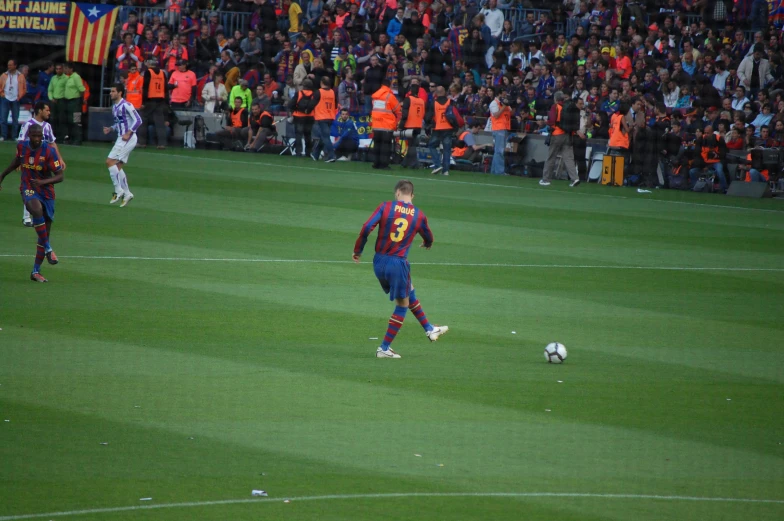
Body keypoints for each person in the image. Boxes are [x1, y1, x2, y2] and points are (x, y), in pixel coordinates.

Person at [352, 179, 448, 358]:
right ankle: (384, 348)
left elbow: (366, 228)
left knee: (408, 291)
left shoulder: (386, 207)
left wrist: (358, 250)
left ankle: (429, 329)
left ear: (397, 193)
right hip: (397, 263)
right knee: (402, 305)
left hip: (378, 262)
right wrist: (427, 243)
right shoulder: (418, 215)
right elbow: (428, 236)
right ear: (412, 195)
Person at [0, 125, 64, 282]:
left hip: (46, 191)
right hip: (28, 187)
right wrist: (2, 175)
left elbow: (60, 176)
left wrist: (43, 182)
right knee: (36, 210)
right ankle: (49, 249)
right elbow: (17, 161)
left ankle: (35, 271)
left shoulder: (49, 151)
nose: (37, 138)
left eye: (39, 136)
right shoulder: (22, 146)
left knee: (45, 232)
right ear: (29, 135)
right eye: (34, 135)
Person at [17, 101, 66, 227]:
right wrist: (19, 160)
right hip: (30, 160)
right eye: (47, 110)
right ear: (39, 111)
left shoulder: (47, 126)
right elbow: (21, 142)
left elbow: (52, 143)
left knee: (39, 185)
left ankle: (36, 215)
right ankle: (26, 217)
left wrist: (59, 158)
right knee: (29, 185)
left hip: (44, 161)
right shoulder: (28, 125)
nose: (49, 112)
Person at [103, 84, 142, 207]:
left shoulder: (126, 105)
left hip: (127, 138)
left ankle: (118, 190)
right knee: (117, 166)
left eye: (113, 91)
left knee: (109, 162)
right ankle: (127, 193)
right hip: (121, 138)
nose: (111, 93)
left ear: (120, 93)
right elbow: (119, 122)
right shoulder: (115, 107)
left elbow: (138, 120)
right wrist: (111, 128)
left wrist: (129, 132)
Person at [540, 92, 582, 187]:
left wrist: (544, 122)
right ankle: (575, 178)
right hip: (568, 135)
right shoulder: (569, 107)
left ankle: (546, 179)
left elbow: (552, 121)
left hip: (557, 135)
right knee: (569, 158)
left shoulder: (555, 106)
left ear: (555, 99)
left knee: (551, 157)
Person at [370, 79, 402, 170]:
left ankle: (376, 163)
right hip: (386, 125)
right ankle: (384, 165)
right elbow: (397, 109)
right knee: (385, 146)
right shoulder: (389, 96)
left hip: (376, 124)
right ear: (389, 85)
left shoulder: (375, 96)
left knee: (377, 145)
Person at [139, 58, 169, 149]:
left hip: (150, 100)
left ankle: (141, 142)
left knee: (142, 120)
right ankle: (162, 144)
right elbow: (166, 88)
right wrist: (166, 102)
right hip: (160, 100)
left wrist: (143, 102)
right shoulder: (162, 73)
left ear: (149, 63)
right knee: (160, 123)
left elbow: (145, 88)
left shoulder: (148, 72)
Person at [427, 86, 456, 176]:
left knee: (432, 146)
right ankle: (446, 170)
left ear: (436, 93)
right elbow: (455, 115)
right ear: (445, 92)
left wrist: (428, 125)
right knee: (447, 150)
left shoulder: (433, 103)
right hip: (448, 128)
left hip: (438, 128)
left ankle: (437, 164)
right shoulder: (450, 102)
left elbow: (428, 117)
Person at [288, 78, 319, 156]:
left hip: (299, 116)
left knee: (298, 134)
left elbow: (291, 104)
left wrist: (296, 110)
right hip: (310, 116)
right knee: (308, 134)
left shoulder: (299, 93)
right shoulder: (314, 94)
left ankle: (298, 151)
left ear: (303, 86)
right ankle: (308, 152)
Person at [398, 82, 426, 168]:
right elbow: (423, 113)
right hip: (418, 125)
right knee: (412, 144)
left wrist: (401, 126)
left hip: (410, 125)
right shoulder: (421, 101)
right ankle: (405, 163)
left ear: (410, 90)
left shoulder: (408, 99)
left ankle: (413, 163)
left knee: (411, 145)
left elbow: (405, 114)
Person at [311, 77, 337, 162]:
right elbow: (335, 104)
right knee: (324, 136)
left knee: (325, 137)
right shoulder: (332, 92)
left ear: (321, 82)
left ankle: (331, 155)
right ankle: (315, 154)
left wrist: (307, 110)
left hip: (322, 116)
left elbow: (312, 103)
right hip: (330, 116)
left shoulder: (319, 92)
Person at [0, 59, 26, 142]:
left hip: (15, 99)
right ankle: (4, 135)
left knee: (15, 119)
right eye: (8, 65)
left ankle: (14, 136)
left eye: (11, 65)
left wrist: (20, 96)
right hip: (5, 98)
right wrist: (2, 94)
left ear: (15, 66)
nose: (9, 66)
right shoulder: (4, 75)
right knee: (3, 118)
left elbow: (24, 88)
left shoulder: (20, 76)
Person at [488, 87, 511, 175]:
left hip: (504, 127)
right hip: (498, 128)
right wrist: (504, 106)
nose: (505, 95)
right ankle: (500, 171)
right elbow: (496, 115)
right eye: (504, 93)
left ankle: (494, 171)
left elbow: (511, 112)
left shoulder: (503, 103)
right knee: (499, 151)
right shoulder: (494, 103)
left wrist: (507, 104)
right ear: (499, 93)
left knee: (498, 151)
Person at [62, 63, 85, 145]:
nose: (65, 70)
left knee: (76, 120)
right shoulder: (68, 77)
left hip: (75, 102)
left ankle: (78, 140)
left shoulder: (76, 77)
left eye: (66, 68)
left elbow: (82, 89)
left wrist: (80, 99)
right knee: (69, 121)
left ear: (71, 69)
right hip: (68, 102)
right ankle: (71, 139)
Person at [47, 63, 67, 140]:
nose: (58, 70)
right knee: (52, 118)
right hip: (53, 100)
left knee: (61, 119)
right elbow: (50, 89)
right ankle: (52, 135)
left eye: (59, 69)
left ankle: (61, 136)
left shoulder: (66, 78)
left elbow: (67, 90)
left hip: (62, 100)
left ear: (62, 69)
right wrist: (51, 98)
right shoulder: (53, 78)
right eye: (57, 69)